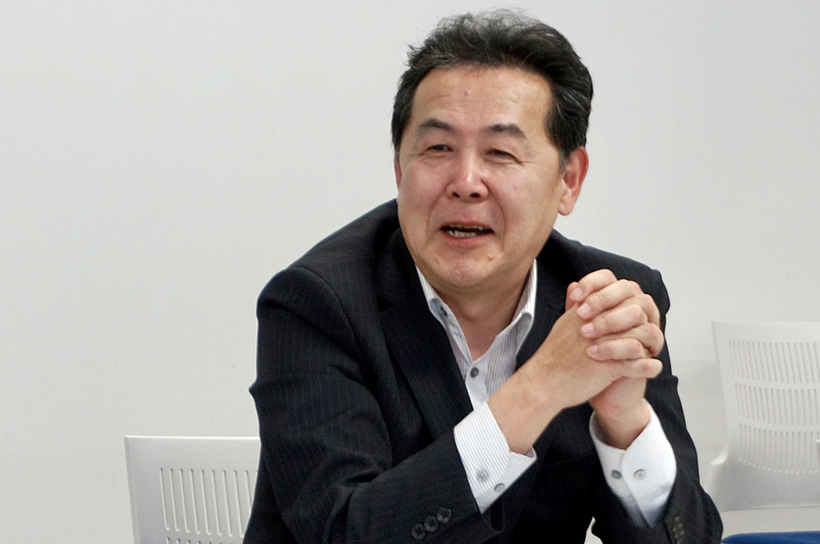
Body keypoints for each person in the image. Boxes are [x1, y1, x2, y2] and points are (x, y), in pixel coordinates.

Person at [245, 10, 722, 544]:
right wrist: (541, 387)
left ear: (568, 180)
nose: (466, 181)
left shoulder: (605, 304)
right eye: (438, 149)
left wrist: (626, 425)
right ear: (400, 169)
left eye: (500, 153)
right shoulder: (316, 304)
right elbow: (345, 533)